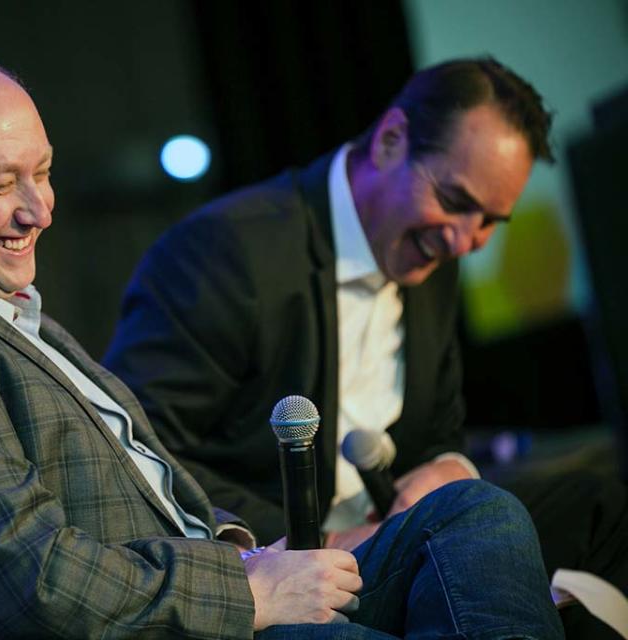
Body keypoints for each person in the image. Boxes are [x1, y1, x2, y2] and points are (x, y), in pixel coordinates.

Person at [0, 51, 562, 639]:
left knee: (474, 513)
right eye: (1, 184)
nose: (39, 209)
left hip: (221, 579)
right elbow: (28, 581)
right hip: (183, 620)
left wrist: (251, 558)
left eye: (43, 173)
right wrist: (250, 590)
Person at [104, 57, 627, 637]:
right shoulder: (224, 252)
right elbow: (140, 453)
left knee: (604, 507)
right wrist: (319, 541)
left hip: (390, 537)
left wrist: (447, 466)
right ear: (391, 141)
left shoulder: (436, 248)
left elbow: (437, 429)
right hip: (289, 560)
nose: (464, 240)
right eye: (454, 200)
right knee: (491, 524)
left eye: (489, 222)